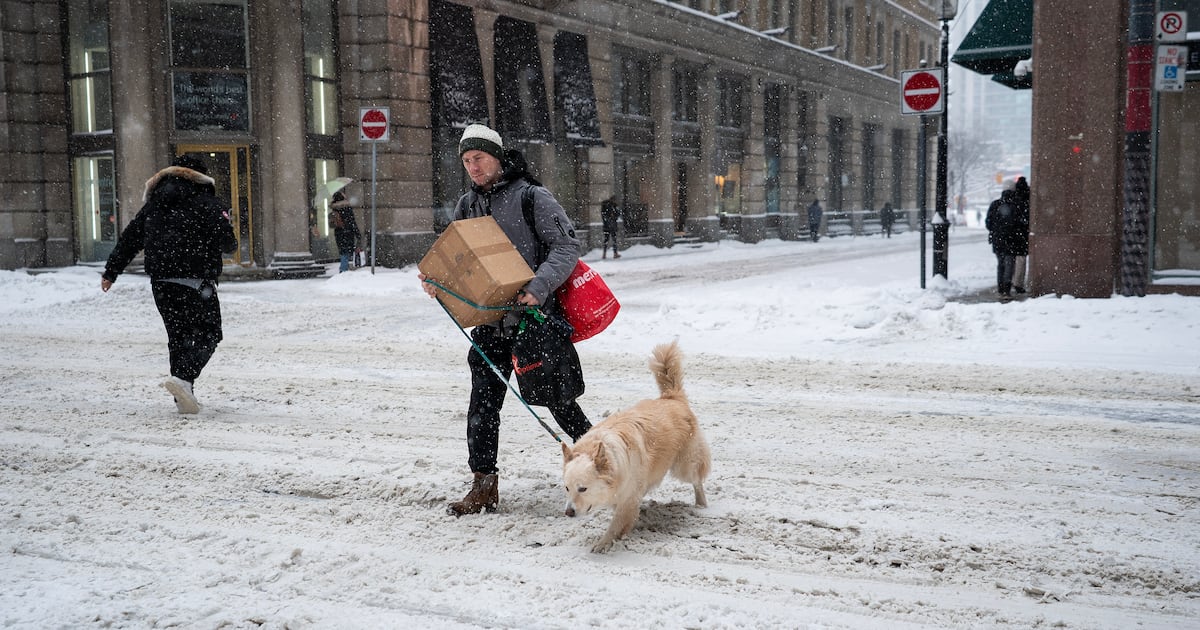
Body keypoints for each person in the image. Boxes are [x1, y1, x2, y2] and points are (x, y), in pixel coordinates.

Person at [418, 123, 592, 516]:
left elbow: (566, 246)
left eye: (478, 158)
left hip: (534, 321)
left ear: (497, 157)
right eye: (466, 161)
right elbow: (459, 265)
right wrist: (438, 284)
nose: (473, 167)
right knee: (482, 406)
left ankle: (607, 465)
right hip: (491, 326)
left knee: (560, 404)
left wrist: (538, 286)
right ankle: (483, 485)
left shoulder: (532, 197)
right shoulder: (467, 206)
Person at [100, 155, 238, 414]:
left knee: (179, 338)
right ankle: (184, 380)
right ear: (201, 177)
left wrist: (111, 271)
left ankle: (184, 397)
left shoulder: (154, 204)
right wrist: (223, 227)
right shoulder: (207, 202)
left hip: (162, 283)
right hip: (197, 282)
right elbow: (229, 244)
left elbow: (130, 238)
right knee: (209, 333)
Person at [985, 188, 1022, 302]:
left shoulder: (995, 205)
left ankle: (1001, 288)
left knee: (1001, 264)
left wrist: (995, 231)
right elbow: (1020, 223)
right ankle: (1006, 289)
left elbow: (988, 222)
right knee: (1009, 265)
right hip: (1011, 240)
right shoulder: (1015, 206)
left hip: (998, 240)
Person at [328, 190, 361, 273]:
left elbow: (331, 224)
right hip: (348, 232)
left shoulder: (334, 209)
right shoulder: (347, 208)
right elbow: (352, 221)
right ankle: (345, 270)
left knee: (343, 251)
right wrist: (357, 233)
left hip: (339, 233)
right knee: (348, 251)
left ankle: (344, 269)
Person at [1011, 177, 1031, 294]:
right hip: (1023, 233)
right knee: (1021, 259)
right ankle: (1019, 283)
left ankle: (1011, 280)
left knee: (1010, 258)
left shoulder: (1013, 197)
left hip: (1013, 232)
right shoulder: (1028, 197)